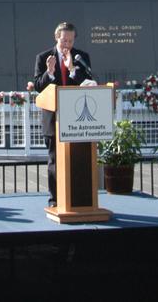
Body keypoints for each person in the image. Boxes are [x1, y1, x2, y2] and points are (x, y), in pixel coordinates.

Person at [33, 21, 95, 207]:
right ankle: (55, 199)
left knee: (78, 159)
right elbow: (38, 86)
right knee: (55, 159)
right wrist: (50, 72)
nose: (67, 44)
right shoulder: (44, 57)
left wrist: (72, 69)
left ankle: (79, 199)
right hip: (53, 118)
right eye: (64, 40)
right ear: (56, 38)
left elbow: (89, 83)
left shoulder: (81, 57)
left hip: (77, 119)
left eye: (70, 40)